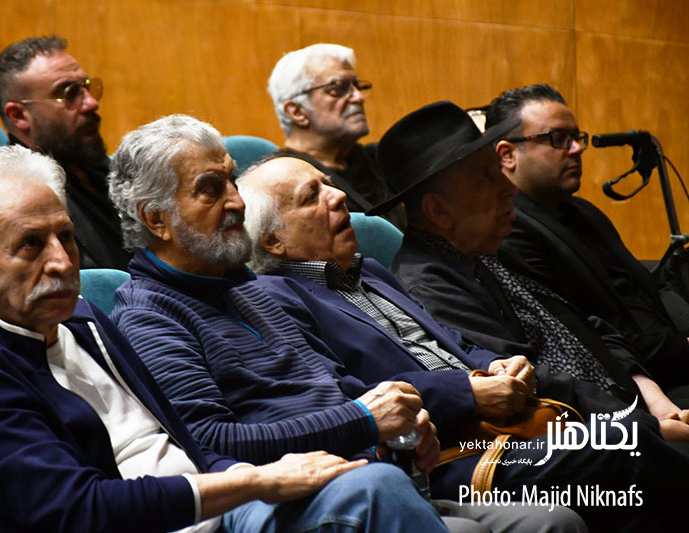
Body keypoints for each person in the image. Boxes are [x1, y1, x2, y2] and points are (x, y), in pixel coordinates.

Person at [0, 144, 445, 533]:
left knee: (411, 494)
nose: (61, 261)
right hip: (179, 519)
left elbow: (190, 445)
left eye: (66, 237)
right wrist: (258, 481)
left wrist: (314, 460)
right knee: (373, 491)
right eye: (31, 245)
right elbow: (82, 511)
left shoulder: (83, 320)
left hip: (221, 509)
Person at [235, 108, 689, 531]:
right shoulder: (276, 297)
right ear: (273, 241)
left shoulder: (370, 271)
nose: (338, 196)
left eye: (328, 184)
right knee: (624, 447)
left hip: (506, 429)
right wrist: (468, 391)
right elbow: (343, 392)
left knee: (630, 447)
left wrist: (497, 365)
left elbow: (452, 342)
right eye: (311, 197)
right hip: (446, 454)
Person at [366, 100, 689, 444]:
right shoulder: (428, 286)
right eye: (487, 178)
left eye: (499, 171)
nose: (509, 188)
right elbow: (530, 385)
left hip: (634, 405)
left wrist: (651, 395)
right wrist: (644, 426)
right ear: (439, 210)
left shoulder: (485, 250)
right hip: (585, 438)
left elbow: (585, 325)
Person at [484, 84, 689, 395]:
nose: (577, 149)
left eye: (576, 137)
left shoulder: (582, 211)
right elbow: (584, 336)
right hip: (630, 386)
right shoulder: (508, 232)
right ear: (508, 154)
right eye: (558, 138)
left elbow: (645, 291)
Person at [0, 35, 130, 269]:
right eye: (69, 93)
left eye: (85, 87)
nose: (91, 103)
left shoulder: (102, 168)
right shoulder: (15, 205)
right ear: (19, 116)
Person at [267, 43, 405, 229]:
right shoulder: (284, 184)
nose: (358, 97)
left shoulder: (380, 159)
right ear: (297, 112)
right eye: (339, 87)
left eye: (357, 86)